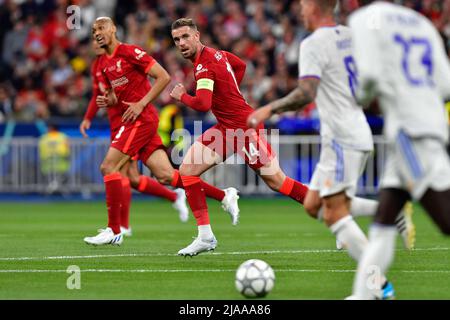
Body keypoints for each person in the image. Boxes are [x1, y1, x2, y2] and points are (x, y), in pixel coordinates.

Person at [247, 0, 415, 299]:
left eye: (303, 5)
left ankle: (377, 287)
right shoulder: (352, 36)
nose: (300, 11)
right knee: (314, 205)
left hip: (341, 138)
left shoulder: (313, 43)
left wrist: (268, 109)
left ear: (315, 7)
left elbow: (306, 92)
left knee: (334, 214)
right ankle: (391, 210)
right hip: (351, 131)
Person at [83, 17, 240, 246]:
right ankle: (224, 195)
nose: (97, 32)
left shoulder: (130, 52)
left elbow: (163, 76)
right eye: (94, 29)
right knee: (166, 175)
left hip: (141, 119)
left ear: (114, 29)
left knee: (109, 166)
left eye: (102, 27)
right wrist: (110, 99)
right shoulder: (104, 64)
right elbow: (119, 94)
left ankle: (114, 229)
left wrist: (141, 103)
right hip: (133, 119)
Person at [170, 18, 310, 257]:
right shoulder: (218, 54)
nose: (181, 43)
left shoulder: (204, 65)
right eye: (176, 39)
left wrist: (182, 96)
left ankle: (334, 216)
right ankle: (205, 236)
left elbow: (203, 104)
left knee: (278, 182)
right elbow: (241, 66)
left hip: (244, 129)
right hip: (227, 128)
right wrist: (230, 92)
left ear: (197, 35)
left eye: (185, 37)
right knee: (187, 172)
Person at [347, 0, 450, 299]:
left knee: (445, 220)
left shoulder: (365, 19)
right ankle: (364, 295)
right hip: (423, 124)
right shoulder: (420, 22)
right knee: (383, 223)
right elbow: (445, 84)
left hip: (409, 131)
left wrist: (359, 97)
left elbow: (367, 76)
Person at [80, 40, 189, 236]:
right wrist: (88, 118)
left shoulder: (121, 57)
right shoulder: (98, 66)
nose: (96, 43)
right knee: (135, 178)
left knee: (120, 171)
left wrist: (137, 103)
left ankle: (122, 226)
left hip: (131, 121)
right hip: (120, 123)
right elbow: (99, 93)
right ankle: (177, 196)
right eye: (94, 38)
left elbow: (158, 77)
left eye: (99, 38)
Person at [38, 123, 70, 195]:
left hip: (47, 164)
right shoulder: (63, 136)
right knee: (60, 180)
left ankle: (50, 191)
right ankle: (62, 193)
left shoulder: (44, 137)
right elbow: (67, 150)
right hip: (61, 164)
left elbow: (41, 150)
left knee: (50, 180)